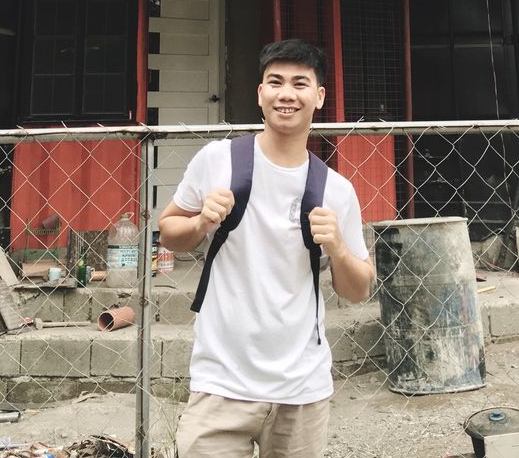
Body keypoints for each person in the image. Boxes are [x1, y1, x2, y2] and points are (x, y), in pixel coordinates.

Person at [159, 38, 374, 458]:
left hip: (302, 388)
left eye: (300, 83)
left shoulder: (337, 190)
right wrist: (201, 222)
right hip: (221, 382)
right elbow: (167, 231)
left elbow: (358, 289)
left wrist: (340, 250)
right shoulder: (216, 159)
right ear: (260, 94)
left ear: (319, 96)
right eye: (275, 82)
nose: (286, 94)